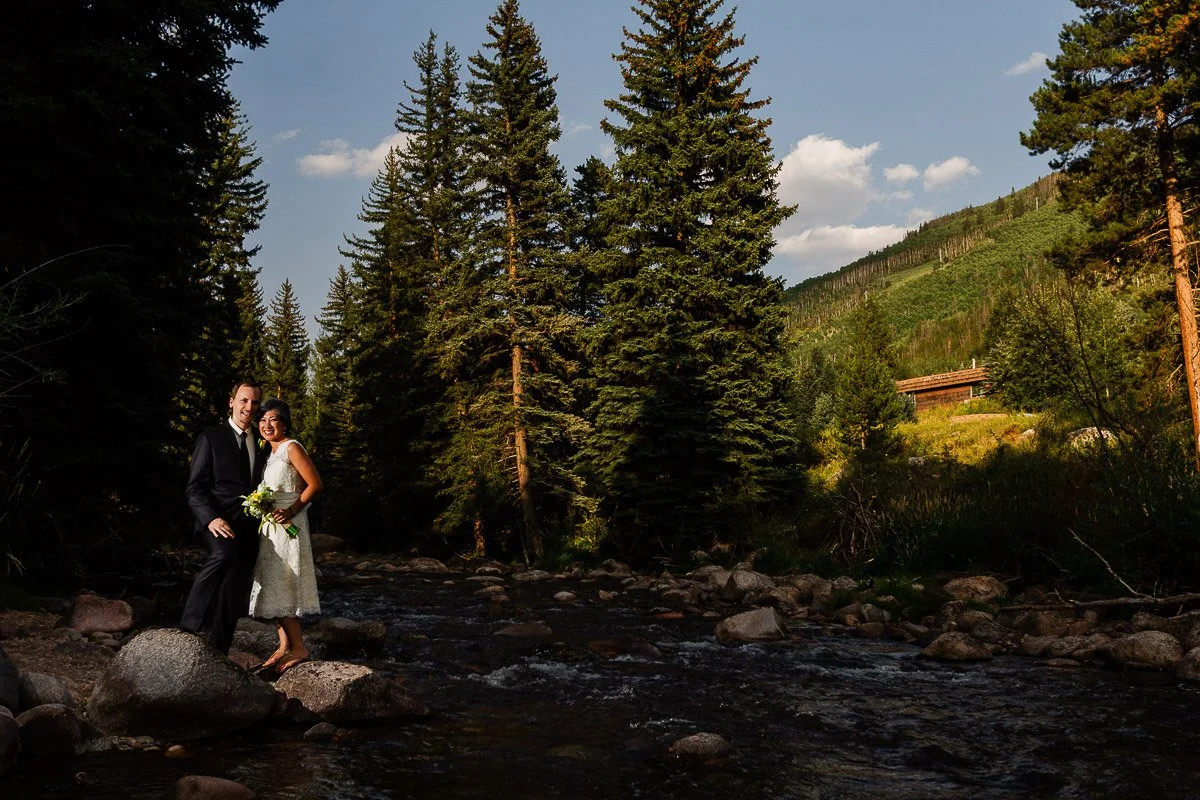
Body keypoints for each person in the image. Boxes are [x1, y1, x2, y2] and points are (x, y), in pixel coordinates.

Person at [180, 380, 266, 654]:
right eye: (243, 400)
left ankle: (219, 653)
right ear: (231, 402)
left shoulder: (263, 444)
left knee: (234, 590)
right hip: (215, 522)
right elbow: (194, 489)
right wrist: (211, 519)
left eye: (254, 402)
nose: (248, 407)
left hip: (248, 528)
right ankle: (188, 625)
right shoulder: (211, 438)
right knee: (223, 554)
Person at [248, 398, 323, 675]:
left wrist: (291, 509)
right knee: (273, 582)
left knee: (285, 580)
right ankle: (283, 645)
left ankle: (299, 647)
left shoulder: (292, 447)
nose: (267, 425)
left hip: (289, 523)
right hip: (271, 526)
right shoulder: (269, 452)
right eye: (263, 420)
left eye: (274, 419)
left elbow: (315, 484)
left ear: (285, 422)